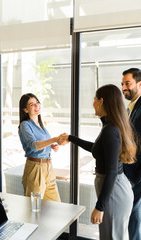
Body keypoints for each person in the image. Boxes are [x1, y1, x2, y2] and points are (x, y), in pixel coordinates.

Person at [58, 84, 136, 240]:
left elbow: (112, 171)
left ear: (101, 101)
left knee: (112, 236)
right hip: (115, 189)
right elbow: (97, 149)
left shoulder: (110, 130)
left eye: (94, 99)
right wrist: (71, 138)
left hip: (115, 191)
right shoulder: (109, 126)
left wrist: (99, 207)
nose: (92, 103)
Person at [18, 93, 61, 201]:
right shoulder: (25, 125)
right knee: (34, 209)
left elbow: (41, 143)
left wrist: (51, 146)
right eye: (32, 104)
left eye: (37, 102)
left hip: (48, 168)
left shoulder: (41, 125)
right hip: (35, 168)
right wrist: (54, 139)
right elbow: (34, 146)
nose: (37, 106)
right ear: (25, 110)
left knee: (56, 206)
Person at [121, 68, 141, 240]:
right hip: (130, 172)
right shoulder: (130, 107)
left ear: (139, 84)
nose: (124, 87)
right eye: (122, 84)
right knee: (133, 216)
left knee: (133, 215)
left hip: (138, 174)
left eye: (128, 83)